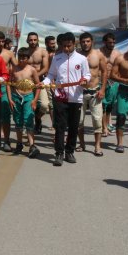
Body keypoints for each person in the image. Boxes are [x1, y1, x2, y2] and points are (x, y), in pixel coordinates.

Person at [43, 32, 90, 166]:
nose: (66, 48)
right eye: (64, 46)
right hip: (60, 97)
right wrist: (44, 83)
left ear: (74, 43)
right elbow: (51, 75)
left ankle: (70, 151)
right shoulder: (57, 59)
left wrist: (85, 80)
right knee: (60, 126)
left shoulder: (81, 59)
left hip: (76, 98)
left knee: (74, 127)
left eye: (69, 46)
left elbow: (87, 74)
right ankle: (59, 153)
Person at [6, 47, 41, 158]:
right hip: (16, 97)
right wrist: (10, 98)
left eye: (24, 58)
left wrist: (35, 100)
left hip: (28, 97)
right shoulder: (13, 69)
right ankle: (19, 143)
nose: (22, 60)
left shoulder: (32, 70)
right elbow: (8, 84)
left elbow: (38, 85)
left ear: (28, 58)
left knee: (28, 120)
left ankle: (32, 145)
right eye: (20, 58)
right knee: (18, 120)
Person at [77, 32, 107, 156]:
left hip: (95, 92)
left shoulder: (98, 55)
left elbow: (104, 72)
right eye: (83, 41)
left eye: (88, 41)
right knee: (79, 121)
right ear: (80, 42)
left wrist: (103, 89)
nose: (85, 44)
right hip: (79, 93)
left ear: (92, 41)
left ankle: (97, 146)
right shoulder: (76, 56)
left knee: (97, 120)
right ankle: (82, 144)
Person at [0, 31, 17, 152]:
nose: (1, 44)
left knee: (6, 115)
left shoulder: (9, 54)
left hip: (4, 87)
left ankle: (6, 140)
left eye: (2, 41)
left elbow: (18, 68)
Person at [25, 32, 50, 134]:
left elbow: (45, 68)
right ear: (27, 40)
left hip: (40, 82)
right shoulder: (24, 52)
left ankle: (38, 118)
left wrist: (35, 76)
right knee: (29, 105)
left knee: (44, 105)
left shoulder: (43, 52)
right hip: (28, 83)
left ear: (38, 40)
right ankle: (29, 128)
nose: (33, 42)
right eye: (31, 40)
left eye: (35, 40)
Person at [100, 33, 120, 137]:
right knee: (103, 105)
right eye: (110, 42)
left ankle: (107, 125)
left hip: (113, 82)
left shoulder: (117, 54)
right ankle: (104, 128)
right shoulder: (99, 52)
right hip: (101, 81)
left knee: (109, 106)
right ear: (105, 42)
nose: (112, 44)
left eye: (113, 42)